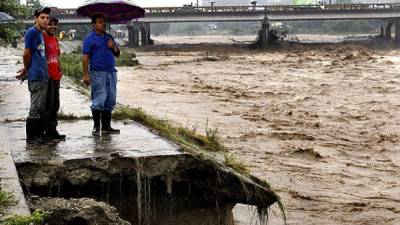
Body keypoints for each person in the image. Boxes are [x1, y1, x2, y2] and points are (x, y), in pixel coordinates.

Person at [82, 14, 120, 135]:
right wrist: (86, 75)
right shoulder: (89, 39)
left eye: (103, 22)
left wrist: (113, 46)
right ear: (93, 24)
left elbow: (117, 54)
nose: (103, 24)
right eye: (99, 22)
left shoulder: (109, 37)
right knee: (99, 99)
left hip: (111, 72)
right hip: (97, 72)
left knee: (111, 98)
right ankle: (96, 127)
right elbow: (85, 58)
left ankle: (106, 126)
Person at [17, 7, 51, 144]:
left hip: (42, 75)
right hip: (36, 76)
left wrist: (26, 69)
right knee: (36, 107)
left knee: (40, 107)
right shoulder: (32, 32)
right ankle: (31, 138)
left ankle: (38, 135)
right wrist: (27, 68)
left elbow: (37, 55)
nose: (45, 20)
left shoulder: (40, 33)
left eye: (47, 18)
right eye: (42, 17)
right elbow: (26, 53)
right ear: (36, 18)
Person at [42, 17, 66, 140]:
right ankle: (46, 132)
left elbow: (57, 57)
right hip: (46, 77)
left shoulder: (55, 39)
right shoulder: (42, 37)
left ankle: (53, 130)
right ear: (45, 25)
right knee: (48, 104)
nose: (52, 27)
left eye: (54, 25)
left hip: (56, 76)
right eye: (50, 24)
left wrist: (60, 70)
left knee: (55, 104)